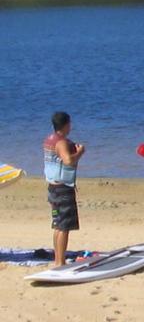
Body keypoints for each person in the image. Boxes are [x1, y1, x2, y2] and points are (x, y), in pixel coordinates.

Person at [43, 111, 85, 266]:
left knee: (58, 225)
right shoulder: (61, 142)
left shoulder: (49, 139)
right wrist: (79, 152)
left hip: (53, 189)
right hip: (62, 190)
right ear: (66, 124)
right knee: (64, 226)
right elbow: (68, 161)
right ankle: (60, 262)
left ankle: (57, 259)